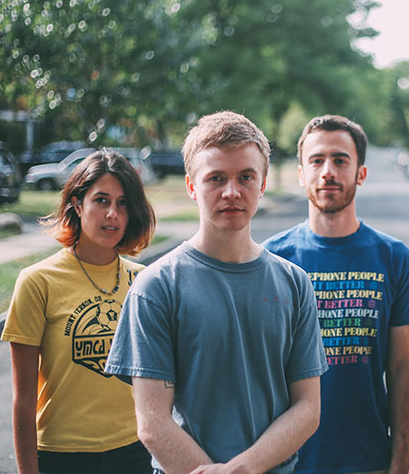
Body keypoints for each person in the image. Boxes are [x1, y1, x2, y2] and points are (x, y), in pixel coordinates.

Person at [105, 111, 327, 474]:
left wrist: (243, 468)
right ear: (192, 186)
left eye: (246, 177)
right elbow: (153, 423)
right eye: (216, 178)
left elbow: (307, 408)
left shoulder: (294, 283)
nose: (232, 192)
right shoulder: (157, 287)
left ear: (263, 183)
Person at [264, 115, 409, 474]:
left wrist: (400, 461)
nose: (328, 171)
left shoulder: (394, 258)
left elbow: (400, 369)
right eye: (316, 161)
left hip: (367, 460)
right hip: (286, 461)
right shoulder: (271, 260)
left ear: (360, 173)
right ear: (301, 173)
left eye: (340, 160)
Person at [2, 148, 157, 474]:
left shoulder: (145, 281)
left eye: (123, 203)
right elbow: (23, 401)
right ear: (77, 203)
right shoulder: (37, 282)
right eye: (101, 200)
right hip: (61, 456)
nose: (112, 213)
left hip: (135, 452)